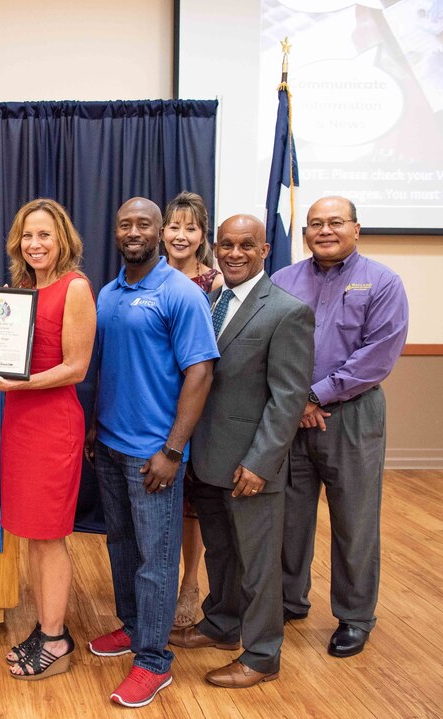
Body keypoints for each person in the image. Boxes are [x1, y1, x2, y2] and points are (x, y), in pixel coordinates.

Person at [83, 197, 218, 708]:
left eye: (144, 223)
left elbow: (201, 373)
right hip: (111, 444)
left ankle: (154, 661)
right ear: (115, 232)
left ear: (160, 232)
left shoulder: (180, 293)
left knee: (157, 562)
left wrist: (173, 450)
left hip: (153, 455)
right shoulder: (109, 292)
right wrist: (97, 428)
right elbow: (108, 367)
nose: (133, 230)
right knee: (120, 546)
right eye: (125, 224)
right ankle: (135, 627)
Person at [168, 214, 314, 688]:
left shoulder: (286, 311)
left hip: (250, 464)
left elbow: (288, 398)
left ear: (264, 251)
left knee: (258, 564)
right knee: (222, 553)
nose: (234, 253)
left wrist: (260, 462)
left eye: (245, 246)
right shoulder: (211, 300)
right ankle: (223, 623)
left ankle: (263, 653)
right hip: (207, 459)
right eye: (226, 245)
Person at [0, 199, 95, 680]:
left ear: (63, 240)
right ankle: (46, 625)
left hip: (53, 424)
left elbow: (76, 367)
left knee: (49, 535)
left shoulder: (75, 288)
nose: (35, 244)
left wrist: (19, 384)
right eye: (27, 237)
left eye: (44, 235)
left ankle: (55, 640)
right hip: (20, 422)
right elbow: (10, 354)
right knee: (32, 534)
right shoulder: (22, 291)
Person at [271, 196, 409, 658]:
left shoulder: (384, 282)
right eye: (315, 224)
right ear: (305, 233)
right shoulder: (282, 281)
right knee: (290, 517)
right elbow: (269, 345)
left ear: (356, 228)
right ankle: (290, 600)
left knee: (355, 521)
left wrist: (316, 395)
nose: (324, 230)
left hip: (351, 416)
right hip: (290, 417)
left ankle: (354, 617)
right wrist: (299, 400)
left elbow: (376, 356)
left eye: (335, 222)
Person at [159, 191, 223, 630]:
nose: (181, 236)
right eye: (174, 227)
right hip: (154, 399)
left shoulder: (216, 284)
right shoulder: (146, 273)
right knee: (166, 500)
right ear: (162, 232)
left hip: (198, 403)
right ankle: (157, 584)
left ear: (203, 236)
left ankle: (191, 583)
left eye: (191, 228)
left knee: (195, 503)